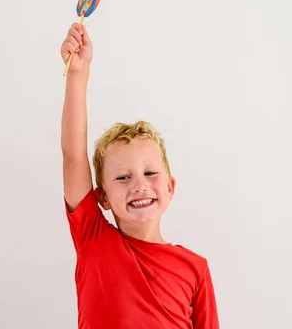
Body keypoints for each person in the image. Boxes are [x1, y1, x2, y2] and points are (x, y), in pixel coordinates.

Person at [60, 23, 220, 328]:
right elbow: (73, 155)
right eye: (123, 177)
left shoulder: (195, 268)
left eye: (150, 172)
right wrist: (78, 72)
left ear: (170, 187)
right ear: (102, 196)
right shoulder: (93, 239)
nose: (139, 185)